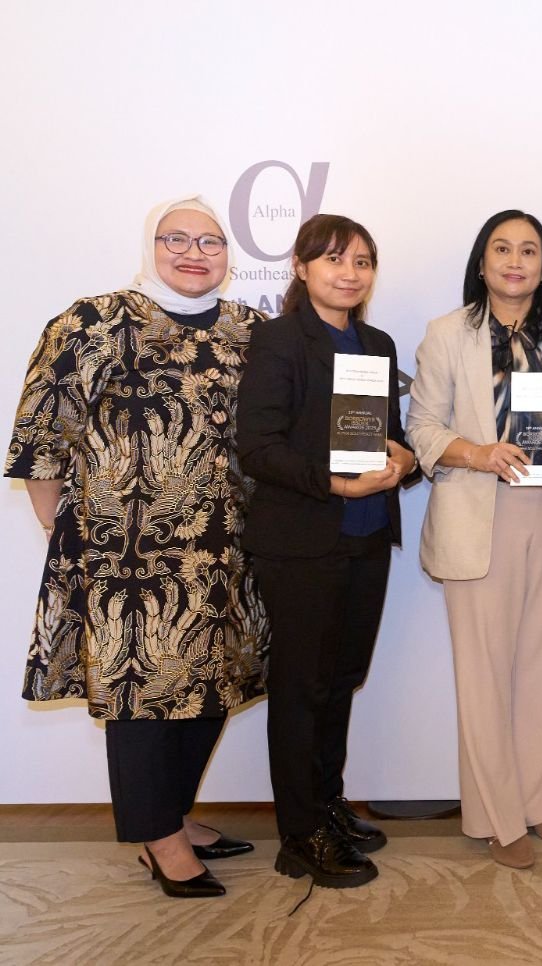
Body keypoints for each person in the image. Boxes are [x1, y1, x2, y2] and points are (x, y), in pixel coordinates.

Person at [6, 196, 268, 898]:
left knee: (215, 685)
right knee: (141, 693)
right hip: (123, 557)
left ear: (228, 255)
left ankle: (171, 813)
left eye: (210, 241)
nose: (193, 253)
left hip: (228, 550)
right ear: (150, 245)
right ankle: (159, 839)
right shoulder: (92, 322)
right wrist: (68, 531)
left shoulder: (251, 331)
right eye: (175, 238)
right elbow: (41, 436)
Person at [406, 210, 542, 870]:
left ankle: (537, 800)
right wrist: (478, 453)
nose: (515, 261)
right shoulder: (447, 334)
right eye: (502, 249)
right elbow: (422, 428)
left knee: (541, 666)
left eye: (529, 251)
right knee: (485, 675)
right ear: (482, 262)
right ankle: (494, 815)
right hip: (476, 516)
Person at [236, 214, 417, 889]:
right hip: (302, 542)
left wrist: (405, 459)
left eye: (362, 261)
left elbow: (390, 436)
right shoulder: (280, 341)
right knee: (301, 688)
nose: (350, 273)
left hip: (366, 537)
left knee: (340, 680)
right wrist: (336, 484)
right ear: (302, 267)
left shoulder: (377, 343)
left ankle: (328, 803)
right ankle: (300, 834)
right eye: (335, 259)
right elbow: (258, 449)